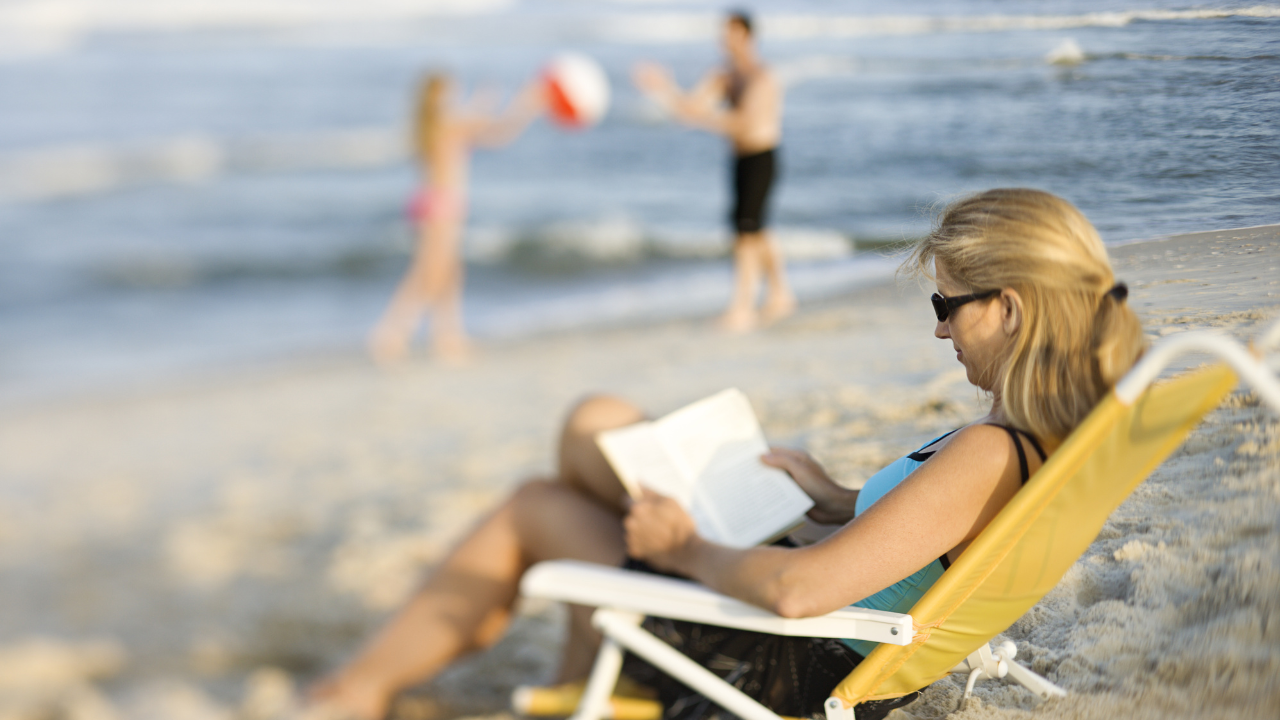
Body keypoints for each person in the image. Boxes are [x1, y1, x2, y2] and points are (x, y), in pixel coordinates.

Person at [310, 189, 1145, 720]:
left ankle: (356, 693)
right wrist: (834, 496)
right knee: (596, 423)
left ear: (1008, 309)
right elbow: (936, 536)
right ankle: (581, 659)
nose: (937, 327)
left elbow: (795, 591)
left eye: (946, 304)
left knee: (538, 505)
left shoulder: (991, 452)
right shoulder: (1036, 440)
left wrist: (685, 548)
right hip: (818, 611)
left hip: (773, 658)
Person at [633, 10, 795, 333]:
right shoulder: (725, 75)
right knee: (755, 228)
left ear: (747, 36)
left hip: (762, 158)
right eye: (723, 34)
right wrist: (662, 87)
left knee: (746, 233)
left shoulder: (763, 77)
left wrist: (702, 118)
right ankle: (781, 295)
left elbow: (743, 123)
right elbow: (689, 107)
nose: (724, 40)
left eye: (731, 34)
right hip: (739, 160)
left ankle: (742, 308)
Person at [369, 73, 544, 365]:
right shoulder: (451, 124)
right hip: (442, 206)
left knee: (447, 273)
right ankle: (392, 333)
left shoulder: (429, 126)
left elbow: (476, 126)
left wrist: (479, 107)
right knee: (430, 273)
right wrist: (527, 103)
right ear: (441, 95)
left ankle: (445, 336)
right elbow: (502, 132)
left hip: (428, 202)